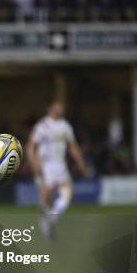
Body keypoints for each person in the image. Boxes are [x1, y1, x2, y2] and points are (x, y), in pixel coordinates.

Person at [27, 101, 87, 238]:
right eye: (58, 107)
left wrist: (81, 162)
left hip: (60, 164)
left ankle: (50, 219)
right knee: (46, 195)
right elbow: (31, 147)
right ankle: (46, 223)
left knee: (67, 195)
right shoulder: (43, 126)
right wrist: (34, 164)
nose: (61, 109)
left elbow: (73, 147)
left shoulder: (65, 126)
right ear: (50, 109)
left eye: (62, 107)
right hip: (45, 164)